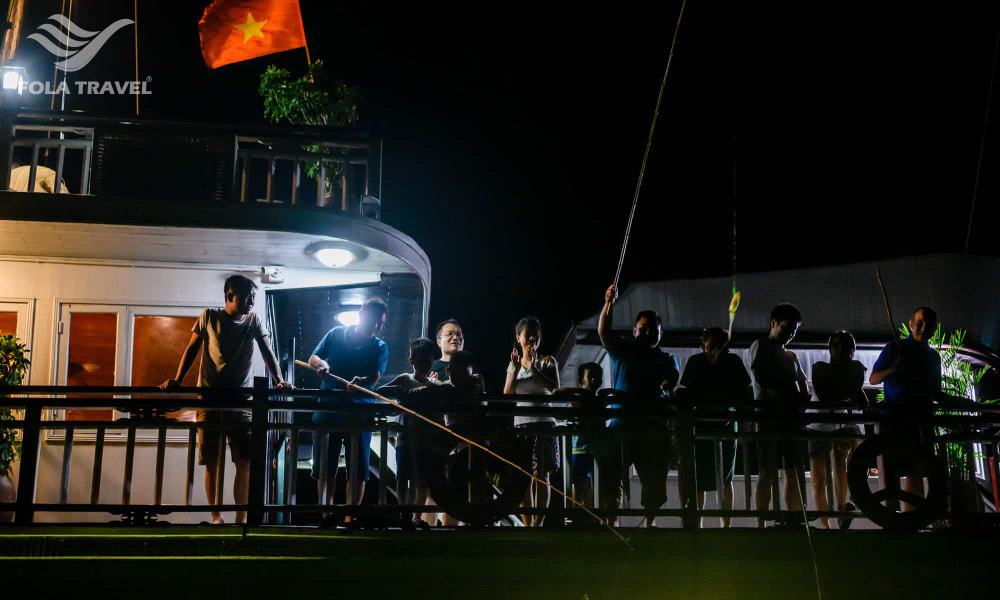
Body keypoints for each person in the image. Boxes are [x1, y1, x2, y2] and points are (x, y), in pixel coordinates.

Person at [159, 274, 291, 525]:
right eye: (246, 297)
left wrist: (279, 381)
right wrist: (177, 379)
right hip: (209, 399)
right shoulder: (210, 316)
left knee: (245, 460)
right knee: (212, 462)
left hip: (241, 401)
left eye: (253, 297)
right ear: (230, 296)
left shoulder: (253, 321)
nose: (251, 301)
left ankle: (241, 518)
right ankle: (216, 517)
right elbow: (192, 349)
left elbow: (267, 353)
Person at [598, 284, 680, 526]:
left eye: (653, 330)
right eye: (643, 329)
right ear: (634, 331)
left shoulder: (666, 358)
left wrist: (667, 386)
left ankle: (650, 522)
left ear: (660, 334)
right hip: (622, 424)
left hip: (652, 428)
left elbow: (670, 380)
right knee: (612, 477)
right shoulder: (623, 349)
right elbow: (603, 331)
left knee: (653, 478)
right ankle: (610, 522)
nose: (647, 333)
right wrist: (608, 303)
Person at [308, 297, 389, 519]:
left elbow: (375, 376)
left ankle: (349, 518)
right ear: (362, 313)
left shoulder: (380, 346)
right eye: (374, 320)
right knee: (326, 470)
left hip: (359, 416)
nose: (377, 326)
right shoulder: (335, 333)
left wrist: (361, 382)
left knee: (357, 471)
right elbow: (313, 357)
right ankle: (327, 516)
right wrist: (321, 365)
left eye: (381, 323)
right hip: (327, 413)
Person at [869, 306, 943, 511]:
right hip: (893, 420)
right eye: (919, 323)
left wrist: (963, 403)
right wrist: (893, 368)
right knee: (891, 470)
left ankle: (909, 521)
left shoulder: (933, 357)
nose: (923, 327)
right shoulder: (894, 348)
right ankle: (891, 521)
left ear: (934, 329)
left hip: (921, 420)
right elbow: (873, 378)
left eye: (928, 324)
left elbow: (936, 392)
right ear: (911, 324)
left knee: (916, 469)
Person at [678, 327, 752, 528]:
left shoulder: (733, 362)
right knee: (698, 478)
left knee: (726, 477)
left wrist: (741, 414)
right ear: (703, 346)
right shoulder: (695, 362)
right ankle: (697, 524)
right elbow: (684, 391)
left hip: (726, 425)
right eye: (711, 347)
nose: (714, 352)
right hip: (700, 427)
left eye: (719, 348)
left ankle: (725, 525)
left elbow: (746, 390)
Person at [407, 350, 485, 525]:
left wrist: (439, 389)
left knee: (476, 489)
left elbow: (471, 391)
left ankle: (476, 526)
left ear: (472, 372)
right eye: (457, 376)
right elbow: (425, 393)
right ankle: (451, 529)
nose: (462, 381)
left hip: (476, 446)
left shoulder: (476, 382)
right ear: (449, 373)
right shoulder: (447, 387)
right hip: (453, 449)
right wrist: (417, 391)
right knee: (454, 493)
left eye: (466, 375)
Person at [749, 303, 809, 527]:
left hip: (789, 418)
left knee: (792, 468)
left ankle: (794, 517)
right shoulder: (761, 346)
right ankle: (761, 522)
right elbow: (761, 377)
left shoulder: (789, 355)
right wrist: (782, 400)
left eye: (793, 331)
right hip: (769, 417)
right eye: (786, 329)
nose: (790, 335)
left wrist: (801, 396)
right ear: (773, 324)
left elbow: (802, 383)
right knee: (767, 469)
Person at [807, 331, 867, 529]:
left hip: (838, 422)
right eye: (835, 346)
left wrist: (854, 392)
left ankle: (841, 510)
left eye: (843, 347)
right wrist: (852, 393)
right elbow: (826, 396)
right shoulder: (821, 368)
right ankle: (826, 524)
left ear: (852, 350)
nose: (838, 351)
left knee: (840, 465)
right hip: (818, 424)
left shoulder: (854, 370)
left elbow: (854, 396)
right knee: (818, 477)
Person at [503, 316, 560, 527]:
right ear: (519, 338)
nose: (532, 339)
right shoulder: (513, 364)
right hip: (522, 424)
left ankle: (539, 523)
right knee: (524, 475)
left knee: (541, 474)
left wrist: (535, 367)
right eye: (527, 334)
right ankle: (527, 524)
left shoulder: (548, 361)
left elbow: (555, 388)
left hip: (544, 421)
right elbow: (507, 393)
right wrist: (517, 368)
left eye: (536, 334)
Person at [379, 338, 439, 528]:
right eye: (421, 361)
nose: (424, 365)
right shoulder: (405, 379)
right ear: (412, 361)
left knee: (421, 480)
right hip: (404, 438)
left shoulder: (435, 384)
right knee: (402, 477)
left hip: (425, 440)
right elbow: (380, 391)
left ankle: (415, 516)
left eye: (428, 361)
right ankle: (403, 512)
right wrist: (397, 392)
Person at [567, 362, 607, 510]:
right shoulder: (578, 399)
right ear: (581, 380)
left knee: (598, 483)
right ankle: (576, 515)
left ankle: (596, 515)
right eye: (590, 377)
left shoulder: (601, 401)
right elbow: (558, 392)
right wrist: (583, 393)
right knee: (578, 483)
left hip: (598, 448)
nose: (594, 380)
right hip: (580, 448)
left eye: (597, 378)